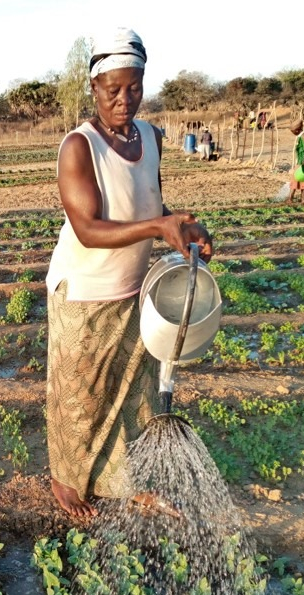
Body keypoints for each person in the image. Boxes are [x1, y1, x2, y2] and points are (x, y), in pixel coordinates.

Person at [46, 27, 213, 517]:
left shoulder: (151, 138)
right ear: (94, 87)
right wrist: (158, 226)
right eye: (113, 89)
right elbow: (88, 229)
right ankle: (66, 479)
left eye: (134, 87)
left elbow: (150, 203)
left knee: (131, 395)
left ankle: (126, 481)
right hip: (84, 291)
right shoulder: (79, 147)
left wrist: (183, 227)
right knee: (81, 397)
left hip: (133, 288)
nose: (124, 100)